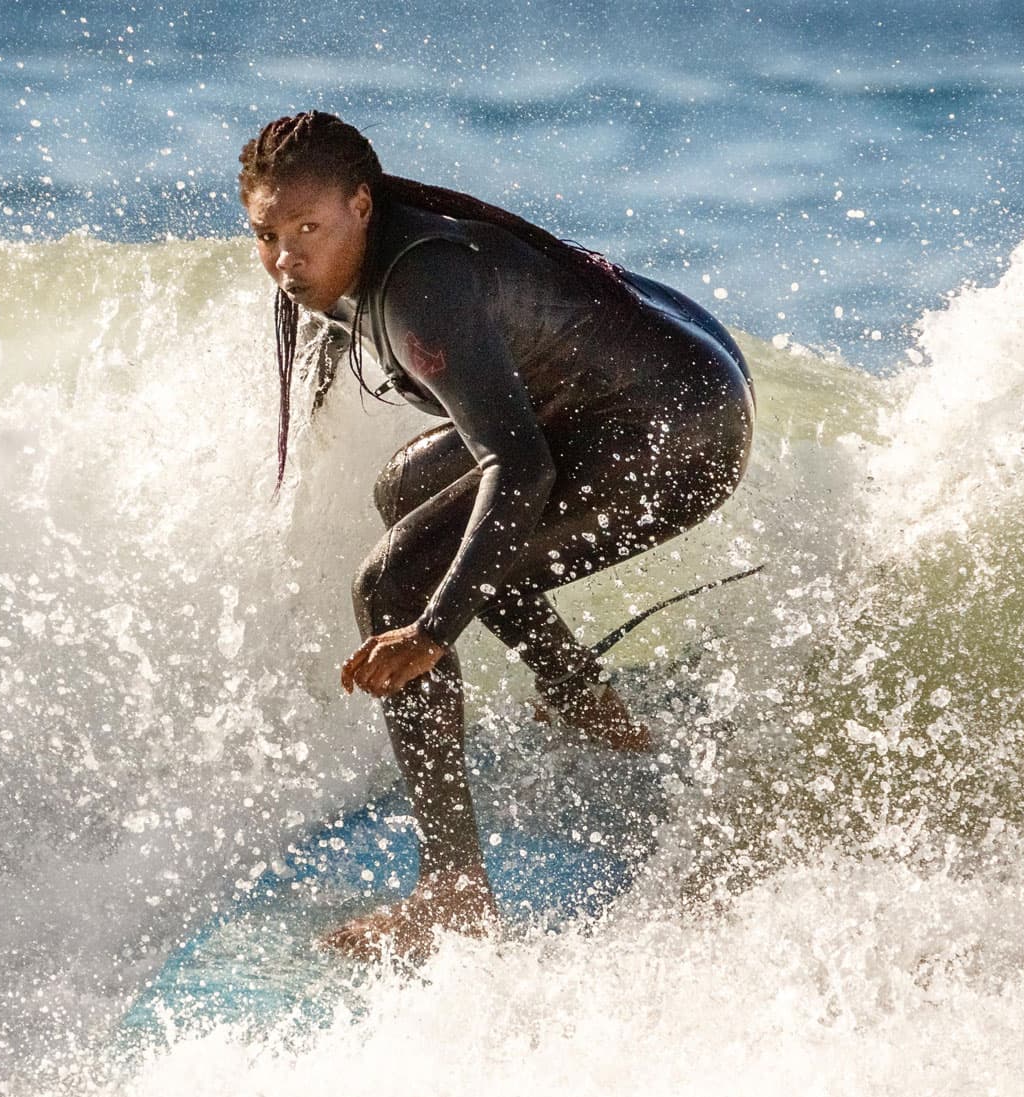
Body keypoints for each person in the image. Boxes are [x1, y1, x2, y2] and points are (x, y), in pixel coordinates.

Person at [239, 111, 753, 960]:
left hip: (679, 429)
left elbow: (519, 468)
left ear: (361, 208)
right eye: (266, 235)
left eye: (307, 231)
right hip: (631, 391)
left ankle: (453, 892)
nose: (287, 261)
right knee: (406, 489)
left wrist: (430, 632)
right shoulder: (330, 271)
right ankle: (589, 702)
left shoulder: (420, 284)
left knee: (392, 581)